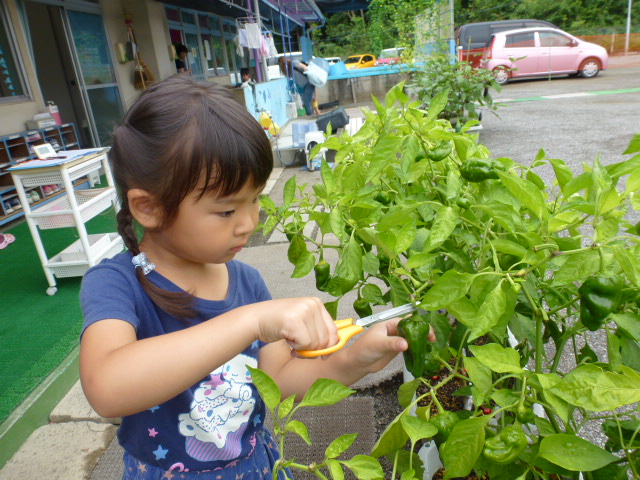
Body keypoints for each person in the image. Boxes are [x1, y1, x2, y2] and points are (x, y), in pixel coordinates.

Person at [79, 74, 416, 479]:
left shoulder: (247, 282)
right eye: (227, 211)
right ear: (148, 208)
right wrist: (249, 321)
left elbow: (279, 381)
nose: (249, 223)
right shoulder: (117, 284)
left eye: (255, 200)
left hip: (255, 465)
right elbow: (107, 388)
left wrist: (353, 361)